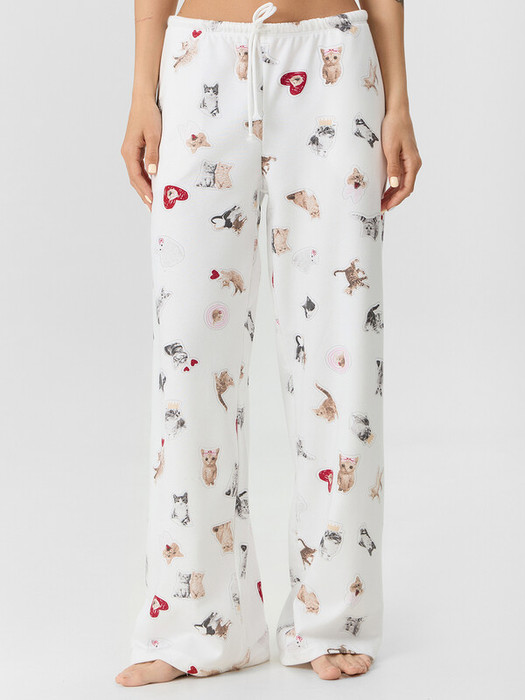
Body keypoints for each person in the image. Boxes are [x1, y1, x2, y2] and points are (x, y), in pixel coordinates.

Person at [116, 0, 422, 686]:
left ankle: (331, 616)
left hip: (333, 65)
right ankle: (196, 620)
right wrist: (143, 91)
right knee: (188, 356)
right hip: (200, 62)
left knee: (341, 349)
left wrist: (399, 100)